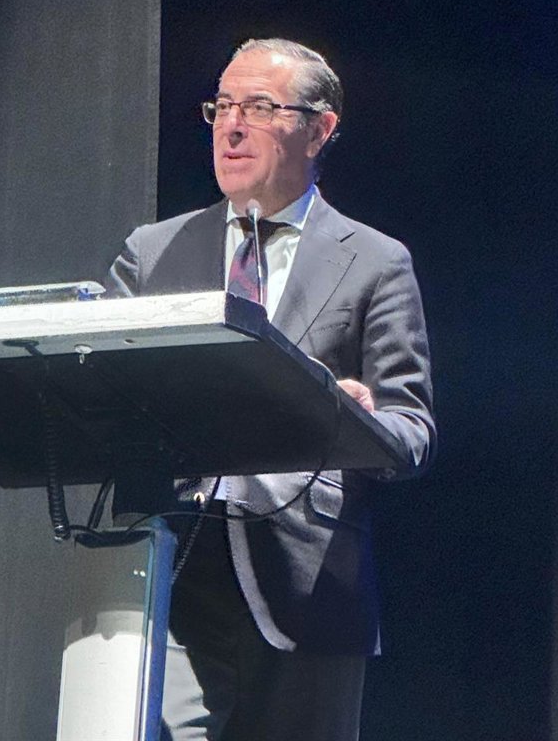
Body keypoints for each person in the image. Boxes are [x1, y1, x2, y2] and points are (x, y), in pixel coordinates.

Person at [104, 38, 436, 741]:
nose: (231, 127)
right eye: (222, 107)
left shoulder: (375, 262)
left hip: (305, 586)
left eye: (258, 107)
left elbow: (410, 431)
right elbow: (101, 395)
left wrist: (354, 418)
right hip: (171, 569)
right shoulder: (151, 253)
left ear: (319, 130)